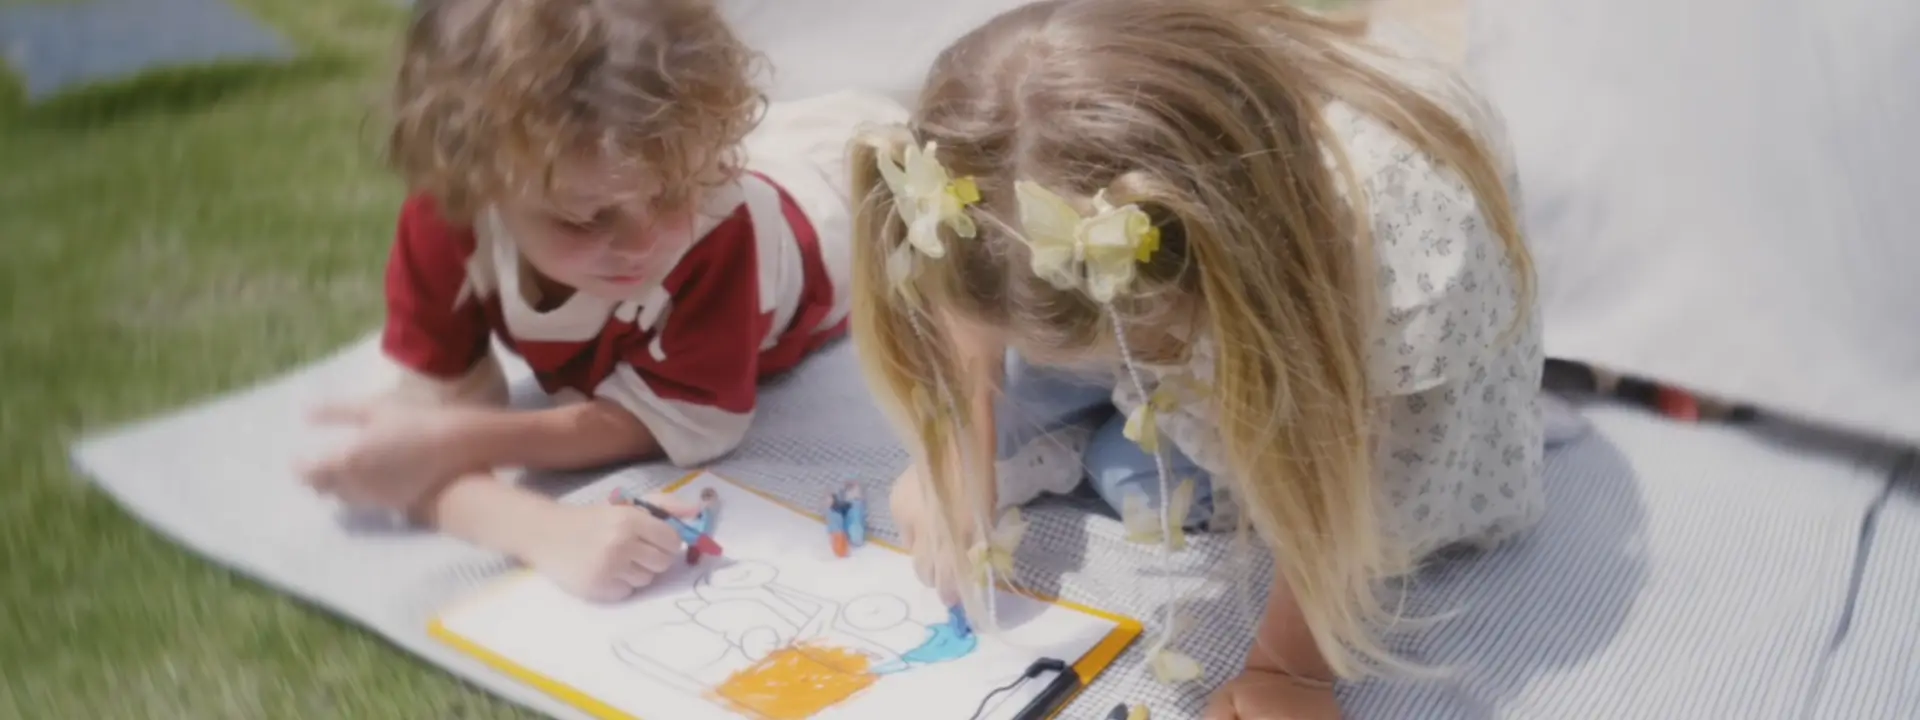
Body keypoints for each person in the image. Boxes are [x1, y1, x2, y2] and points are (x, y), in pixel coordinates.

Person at [846, 0, 1544, 716]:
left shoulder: (1385, 244)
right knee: (1080, 407)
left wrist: (1290, 672)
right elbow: (978, 265)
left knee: (1133, 480)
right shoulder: (1043, 119)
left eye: (1138, 345)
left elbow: (1351, 472)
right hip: (1219, 268)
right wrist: (965, 433)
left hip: (1369, 379)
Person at [297, 0, 904, 602]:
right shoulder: (450, 215)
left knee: (906, 175)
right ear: (476, 183)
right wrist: (530, 522)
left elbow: (662, 419)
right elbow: (414, 433)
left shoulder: (718, 233)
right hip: (726, 160)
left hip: (848, 203)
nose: (643, 244)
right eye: (583, 221)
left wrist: (458, 444)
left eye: (674, 195)